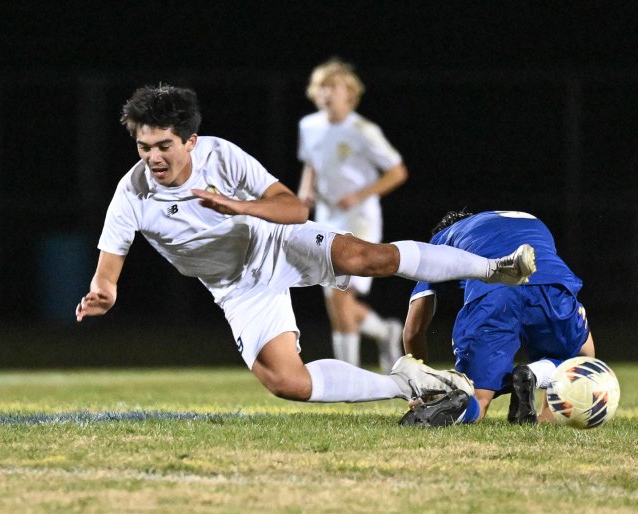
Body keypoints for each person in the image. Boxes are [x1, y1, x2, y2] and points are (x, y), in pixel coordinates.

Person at [74, 83, 536, 410]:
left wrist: (240, 208)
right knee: (285, 382)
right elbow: (107, 271)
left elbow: (293, 209)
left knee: (366, 257)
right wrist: (104, 294)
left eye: (163, 145)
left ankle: (495, 268)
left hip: (276, 240)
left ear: (191, 141)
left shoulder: (221, 154)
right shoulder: (131, 193)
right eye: (143, 147)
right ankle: (405, 382)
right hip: (236, 286)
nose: (153, 157)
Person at [401, 209, 595, 425]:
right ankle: (536, 385)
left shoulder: (442, 240)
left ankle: (446, 409)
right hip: (552, 286)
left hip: (494, 293)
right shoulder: (532, 220)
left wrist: (424, 386)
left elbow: (413, 330)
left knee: (477, 401)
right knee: (581, 357)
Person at [297, 58, 408, 372]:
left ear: (350, 92)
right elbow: (311, 163)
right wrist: (304, 193)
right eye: (321, 86)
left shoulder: (363, 130)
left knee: (338, 293)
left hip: (360, 220)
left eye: (334, 86)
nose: (326, 92)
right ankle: (385, 332)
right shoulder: (309, 125)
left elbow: (398, 172)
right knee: (337, 299)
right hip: (326, 219)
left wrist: (359, 194)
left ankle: (348, 375)